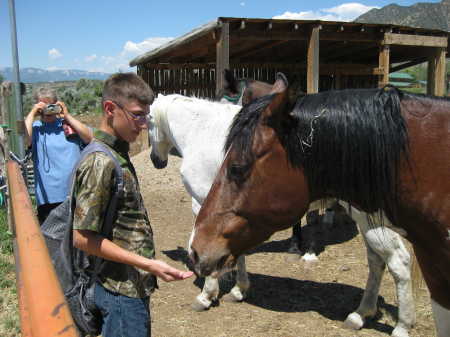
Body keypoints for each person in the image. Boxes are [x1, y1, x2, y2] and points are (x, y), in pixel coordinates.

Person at [72, 73, 193, 337]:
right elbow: (82, 238)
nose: (142, 125)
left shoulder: (117, 153)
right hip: (120, 293)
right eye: (137, 115)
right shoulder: (100, 162)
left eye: (145, 117)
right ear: (110, 109)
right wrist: (148, 264)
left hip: (130, 287)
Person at [25, 87, 93, 224]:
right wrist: (32, 113)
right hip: (48, 198)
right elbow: (24, 141)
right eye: (43, 106)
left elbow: (89, 138)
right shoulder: (36, 129)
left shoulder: (68, 126)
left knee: (77, 242)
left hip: (76, 195)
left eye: (51, 105)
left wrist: (67, 115)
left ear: (58, 104)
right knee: (52, 242)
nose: (48, 110)